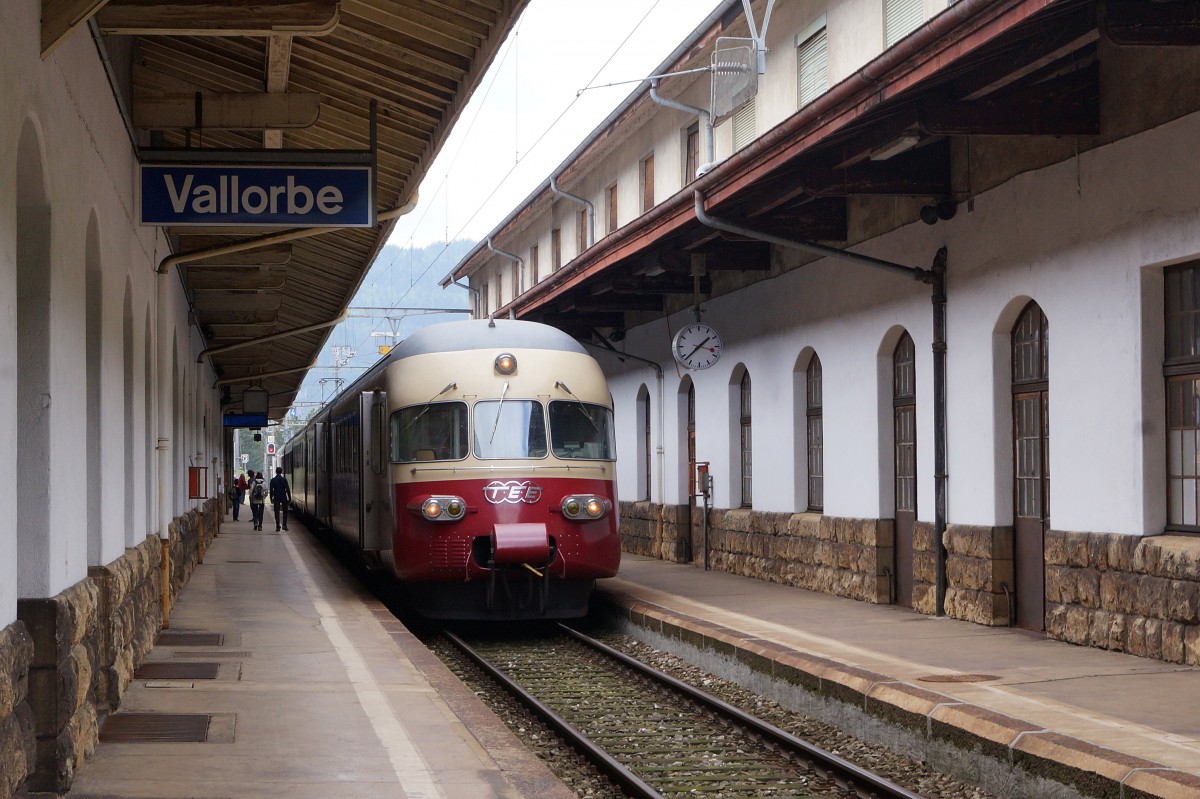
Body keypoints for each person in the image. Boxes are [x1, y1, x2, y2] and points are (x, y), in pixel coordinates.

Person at [270, 466, 291, 531]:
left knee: (277, 512)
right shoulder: (284, 479)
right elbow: (287, 489)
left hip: (276, 497)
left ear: (276, 472)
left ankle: (277, 526)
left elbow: (271, 490)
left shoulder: (273, 480)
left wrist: (271, 498)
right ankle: (284, 525)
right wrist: (289, 497)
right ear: (281, 472)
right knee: (285, 511)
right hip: (283, 497)